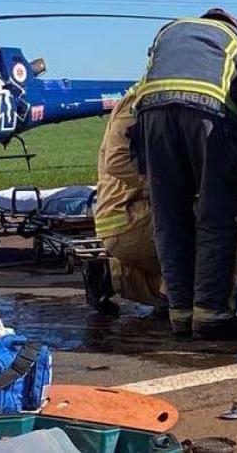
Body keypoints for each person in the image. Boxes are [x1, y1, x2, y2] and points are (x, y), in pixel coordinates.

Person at [131, 8, 237, 340]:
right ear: (232, 24)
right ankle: (213, 316)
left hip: (152, 115)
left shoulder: (168, 31)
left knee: (170, 216)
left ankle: (180, 313)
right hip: (209, 114)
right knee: (218, 215)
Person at [95, 84, 165, 311]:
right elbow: (116, 162)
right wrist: (168, 188)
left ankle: (113, 276)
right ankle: (199, 306)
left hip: (133, 214)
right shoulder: (140, 99)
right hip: (128, 215)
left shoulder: (151, 95)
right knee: (213, 224)